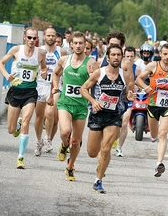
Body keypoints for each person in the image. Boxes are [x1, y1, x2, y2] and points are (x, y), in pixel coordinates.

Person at [80, 44, 136, 193]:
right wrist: (93, 101)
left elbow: (127, 94)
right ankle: (101, 164)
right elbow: (83, 89)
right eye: (113, 55)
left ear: (121, 57)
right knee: (93, 153)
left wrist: (128, 96)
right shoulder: (99, 73)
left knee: (106, 148)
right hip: (97, 115)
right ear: (108, 57)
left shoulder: (126, 75)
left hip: (114, 116)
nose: (116, 57)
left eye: (119, 55)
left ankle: (98, 181)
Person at [0, 28, 47, 169]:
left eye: (34, 38)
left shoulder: (41, 53)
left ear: (37, 39)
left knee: (26, 123)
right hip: (15, 92)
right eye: (29, 37)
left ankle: (20, 157)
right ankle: (16, 126)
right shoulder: (16, 50)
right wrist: (7, 75)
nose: (32, 40)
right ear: (25, 37)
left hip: (30, 92)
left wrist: (43, 73)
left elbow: (44, 68)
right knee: (11, 130)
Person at [52, 31, 98, 181]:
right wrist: (55, 87)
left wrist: (93, 77)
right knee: (65, 132)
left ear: (85, 45)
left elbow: (95, 83)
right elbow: (55, 74)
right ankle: (64, 145)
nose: (78, 46)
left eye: (81, 43)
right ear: (71, 45)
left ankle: (70, 166)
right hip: (65, 102)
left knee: (76, 141)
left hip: (81, 106)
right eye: (75, 43)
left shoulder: (91, 63)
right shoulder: (64, 60)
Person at [136, 43, 168, 177]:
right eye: (165, 54)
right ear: (160, 54)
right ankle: (153, 136)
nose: (167, 57)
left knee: (163, 134)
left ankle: (159, 164)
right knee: (154, 134)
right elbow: (139, 79)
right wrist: (145, 87)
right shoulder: (153, 66)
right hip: (153, 104)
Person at [34, 27, 68, 156]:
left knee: (49, 113)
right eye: (48, 35)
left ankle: (48, 138)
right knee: (38, 118)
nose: (50, 38)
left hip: (55, 86)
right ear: (44, 37)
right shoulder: (39, 51)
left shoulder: (62, 51)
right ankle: (39, 140)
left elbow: (66, 68)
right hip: (39, 85)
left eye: (53, 36)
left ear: (56, 38)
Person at [116, 46, 138, 157]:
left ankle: (119, 147)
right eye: (127, 56)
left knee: (124, 123)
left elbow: (140, 81)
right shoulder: (118, 64)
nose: (129, 59)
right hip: (117, 97)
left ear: (135, 57)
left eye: (131, 56)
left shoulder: (137, 68)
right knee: (115, 123)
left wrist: (137, 87)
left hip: (128, 98)